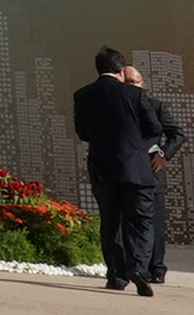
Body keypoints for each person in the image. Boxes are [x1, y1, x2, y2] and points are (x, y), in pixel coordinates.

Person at [71, 44, 167, 294]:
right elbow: (155, 128)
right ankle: (138, 267)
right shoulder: (135, 95)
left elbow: (82, 133)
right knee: (142, 221)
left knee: (110, 222)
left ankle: (116, 276)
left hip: (102, 169)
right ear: (121, 71)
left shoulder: (83, 95)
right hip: (136, 168)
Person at [121, 62, 188, 284]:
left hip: (152, 174)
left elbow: (177, 134)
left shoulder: (155, 106)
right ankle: (132, 266)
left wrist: (164, 155)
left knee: (154, 223)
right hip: (127, 173)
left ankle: (156, 268)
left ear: (143, 84)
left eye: (135, 82)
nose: (132, 86)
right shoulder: (120, 108)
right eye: (127, 82)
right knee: (128, 222)